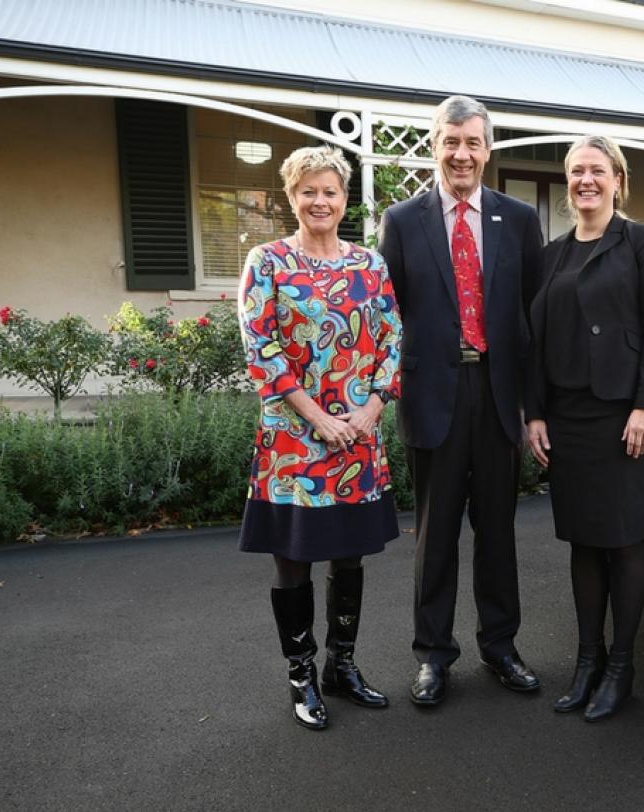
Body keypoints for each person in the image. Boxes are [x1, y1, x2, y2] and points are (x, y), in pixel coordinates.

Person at [378, 95, 544, 706]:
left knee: (498, 532)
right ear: (434, 145)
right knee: (436, 533)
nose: (462, 154)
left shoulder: (519, 219)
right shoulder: (403, 220)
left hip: (498, 397)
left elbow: (533, 318)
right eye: (451, 141)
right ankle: (433, 655)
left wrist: (535, 406)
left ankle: (500, 647)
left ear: (488, 149)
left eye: (473, 143)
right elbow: (385, 316)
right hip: (433, 395)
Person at [237, 145, 402, 730]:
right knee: (294, 560)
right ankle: (301, 675)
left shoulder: (369, 266)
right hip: (294, 444)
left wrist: (374, 406)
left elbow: (392, 340)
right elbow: (262, 349)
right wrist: (318, 418)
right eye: (308, 190)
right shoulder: (269, 261)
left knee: (349, 554)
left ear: (344, 197)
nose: (320, 201)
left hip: (357, 435)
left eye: (330, 190)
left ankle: (343, 665)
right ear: (291, 196)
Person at [525, 135, 644, 722]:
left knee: (622, 541)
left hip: (621, 416)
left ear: (617, 178)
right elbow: (534, 340)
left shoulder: (641, 241)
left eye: (596, 170)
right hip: (567, 417)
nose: (585, 180)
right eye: (576, 172)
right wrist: (534, 412)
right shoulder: (552, 254)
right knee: (583, 541)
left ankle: (621, 666)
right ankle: (586, 662)